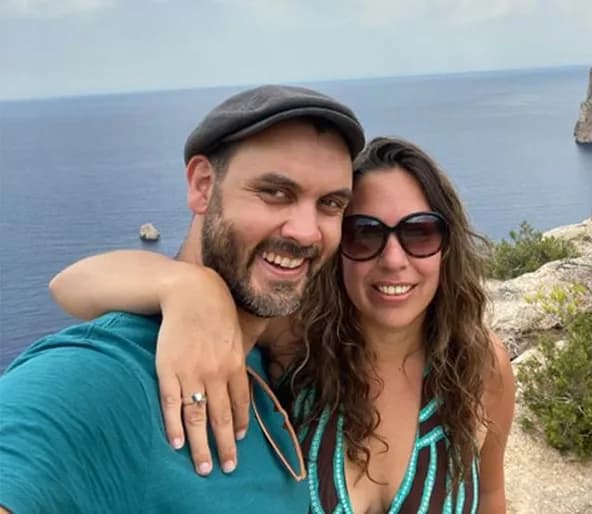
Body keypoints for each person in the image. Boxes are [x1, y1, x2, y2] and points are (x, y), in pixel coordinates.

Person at [49, 137, 516, 513]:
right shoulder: (297, 337)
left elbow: (491, 499)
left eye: (419, 232)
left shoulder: (478, 367)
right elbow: (70, 285)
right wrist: (186, 285)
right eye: (364, 233)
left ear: (446, 245)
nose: (394, 260)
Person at [0, 84, 366, 513]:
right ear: (203, 185)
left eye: (330, 204)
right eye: (275, 192)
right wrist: (184, 285)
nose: (305, 232)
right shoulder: (101, 375)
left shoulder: (273, 351)